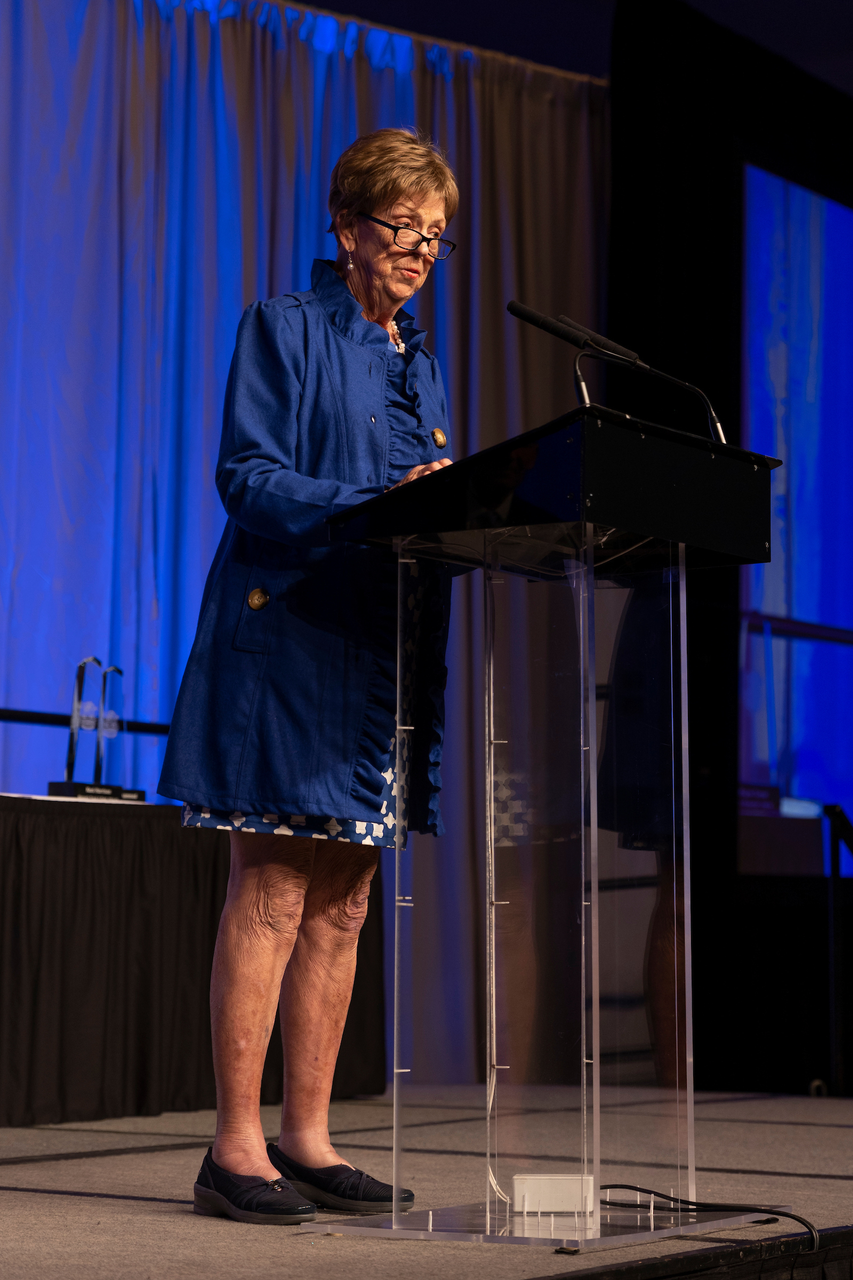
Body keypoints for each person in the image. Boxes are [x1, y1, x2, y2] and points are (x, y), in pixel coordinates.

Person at [158, 129, 458, 1225]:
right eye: (401, 227)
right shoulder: (282, 326)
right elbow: (248, 476)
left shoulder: (418, 360)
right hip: (288, 641)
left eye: (435, 235)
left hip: (376, 654)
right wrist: (378, 505)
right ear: (346, 228)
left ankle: (307, 1135)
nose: (419, 250)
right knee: (277, 886)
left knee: (345, 899)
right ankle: (234, 1147)